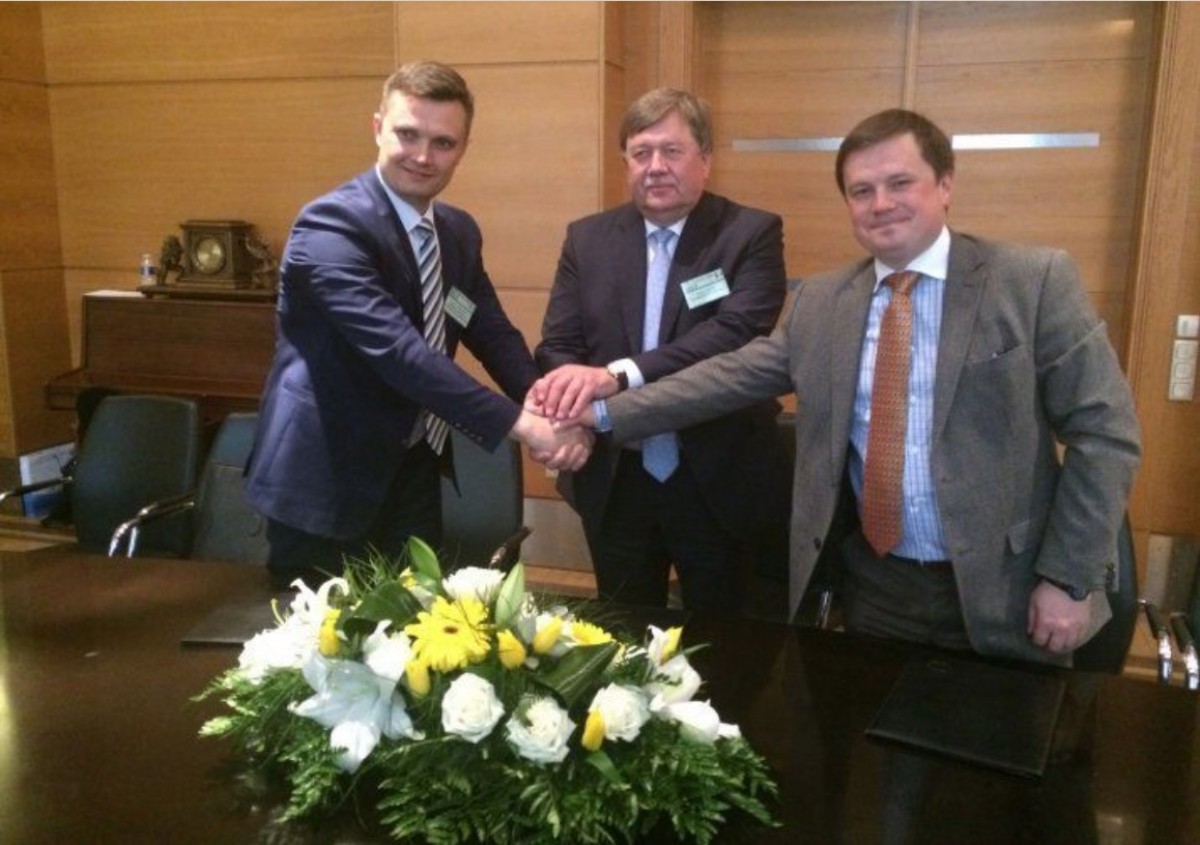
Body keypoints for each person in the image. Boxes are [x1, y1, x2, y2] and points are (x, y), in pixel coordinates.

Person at [572, 108, 1141, 665]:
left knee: (1005, 730)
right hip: (877, 591)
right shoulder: (823, 301)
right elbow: (725, 378)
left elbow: (1105, 433)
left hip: (1011, 592)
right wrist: (598, 413)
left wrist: (1069, 577)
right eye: (862, 191)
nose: (881, 203)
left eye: (900, 183)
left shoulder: (1030, 281)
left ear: (945, 184)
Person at [245, 61, 589, 588]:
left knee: (415, 623)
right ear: (377, 127)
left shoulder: (456, 232)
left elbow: (486, 327)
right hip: (324, 476)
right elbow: (402, 354)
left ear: (463, 149)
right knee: (321, 635)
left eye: (443, 143)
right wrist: (524, 426)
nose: (423, 157)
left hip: (414, 466)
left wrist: (544, 401)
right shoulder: (330, 227)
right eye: (408, 134)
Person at [532, 88, 791, 614]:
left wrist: (618, 376)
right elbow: (558, 345)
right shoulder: (587, 239)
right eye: (641, 152)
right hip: (615, 475)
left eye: (672, 151)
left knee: (726, 639)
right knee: (622, 631)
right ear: (626, 162)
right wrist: (568, 408)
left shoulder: (750, 233)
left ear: (705, 159)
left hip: (716, 475)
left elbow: (734, 334)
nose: (655, 167)